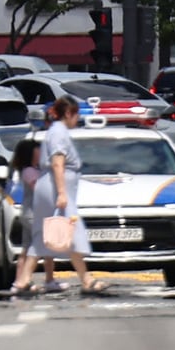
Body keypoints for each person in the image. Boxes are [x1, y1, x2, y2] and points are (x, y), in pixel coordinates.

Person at [20, 95, 108, 295]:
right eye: (76, 115)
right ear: (68, 113)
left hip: (48, 186)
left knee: (43, 234)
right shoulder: (59, 133)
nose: (77, 120)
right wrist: (61, 193)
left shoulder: (54, 131)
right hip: (56, 188)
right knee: (72, 230)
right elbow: (58, 163)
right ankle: (86, 280)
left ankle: (24, 280)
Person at [9, 137, 59, 295]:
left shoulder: (33, 170)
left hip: (31, 213)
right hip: (33, 214)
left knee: (28, 248)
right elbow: (39, 189)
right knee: (38, 247)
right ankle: (28, 281)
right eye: (38, 152)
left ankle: (26, 279)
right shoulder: (29, 171)